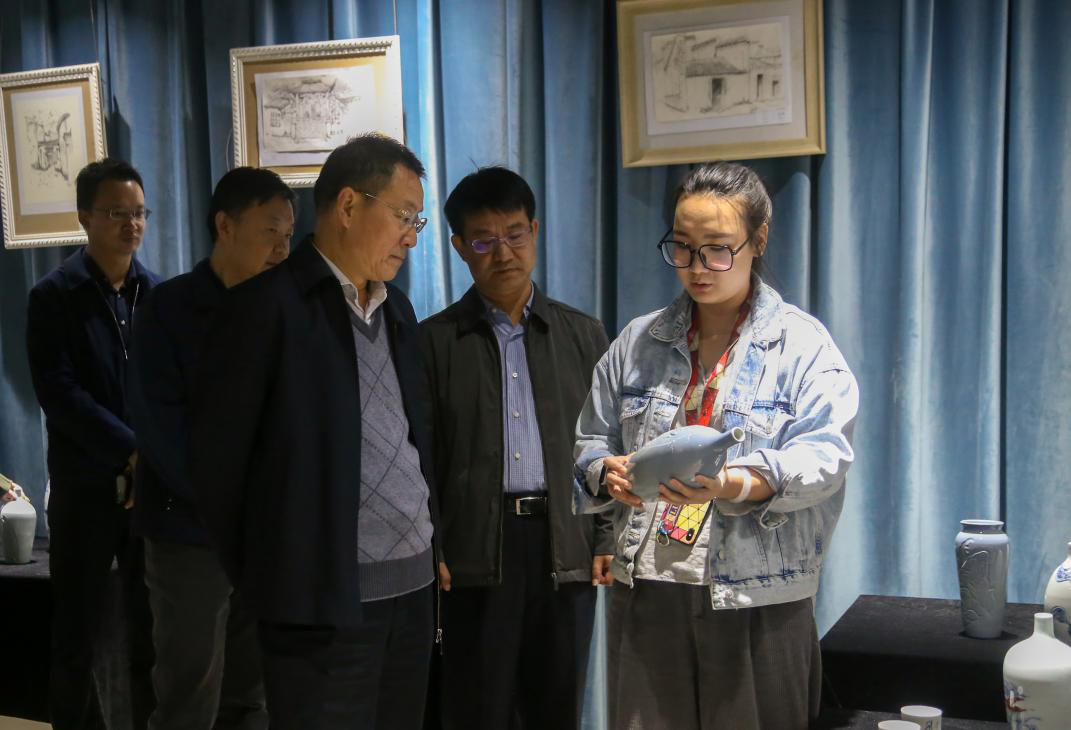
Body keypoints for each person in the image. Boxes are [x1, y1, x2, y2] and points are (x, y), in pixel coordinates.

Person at [573, 162, 859, 729]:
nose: (698, 267)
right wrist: (607, 471)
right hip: (648, 587)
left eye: (718, 249)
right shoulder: (638, 341)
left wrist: (735, 483)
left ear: (759, 240)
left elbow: (826, 457)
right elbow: (590, 439)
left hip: (757, 596)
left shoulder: (802, 345)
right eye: (682, 247)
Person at [189, 133, 443, 730]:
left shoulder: (397, 309)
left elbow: (416, 436)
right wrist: (277, 577)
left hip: (413, 591)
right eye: (404, 216)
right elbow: (217, 469)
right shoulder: (263, 309)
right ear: (349, 206)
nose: (412, 236)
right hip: (319, 610)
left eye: (417, 221)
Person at [421, 166, 612, 729]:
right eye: (483, 240)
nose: (502, 252)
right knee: (476, 709)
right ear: (459, 247)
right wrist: (432, 545)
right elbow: (422, 457)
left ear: (535, 231)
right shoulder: (432, 342)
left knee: (556, 708)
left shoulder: (584, 334)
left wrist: (605, 535)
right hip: (474, 551)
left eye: (514, 234)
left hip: (564, 543)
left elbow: (608, 443)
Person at [128, 167, 297, 730]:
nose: (283, 248)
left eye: (289, 235)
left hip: (265, 532)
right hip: (189, 530)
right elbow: (160, 428)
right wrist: (231, 502)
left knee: (253, 693)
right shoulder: (167, 308)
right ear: (225, 226)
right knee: (189, 692)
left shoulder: (288, 310)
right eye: (271, 231)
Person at [26, 158, 159, 730]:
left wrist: (151, 452)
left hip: (148, 490)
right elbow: (59, 393)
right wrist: (129, 446)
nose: (132, 225)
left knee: (151, 631)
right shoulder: (53, 296)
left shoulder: (156, 293)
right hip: (84, 489)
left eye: (139, 213)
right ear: (85, 217)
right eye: (117, 213)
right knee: (76, 635)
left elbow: (170, 385)